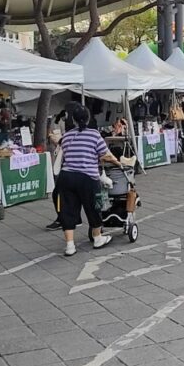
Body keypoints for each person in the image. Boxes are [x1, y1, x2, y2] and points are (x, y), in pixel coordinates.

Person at [56, 102, 119, 256]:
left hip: (66, 177)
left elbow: (65, 153)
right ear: (89, 118)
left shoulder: (67, 136)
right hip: (88, 178)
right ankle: (97, 238)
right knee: (94, 207)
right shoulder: (94, 135)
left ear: (73, 119)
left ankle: (70, 246)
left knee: (67, 210)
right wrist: (118, 162)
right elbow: (106, 155)